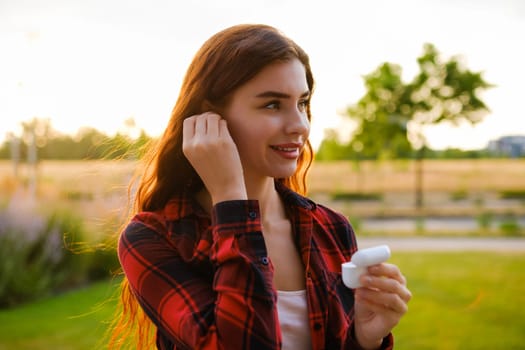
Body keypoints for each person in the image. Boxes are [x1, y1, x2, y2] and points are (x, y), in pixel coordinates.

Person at [109, 23, 411, 350]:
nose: (300, 125)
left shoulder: (332, 228)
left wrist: (364, 339)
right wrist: (231, 201)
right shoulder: (153, 239)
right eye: (272, 104)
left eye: (302, 103)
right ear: (210, 119)